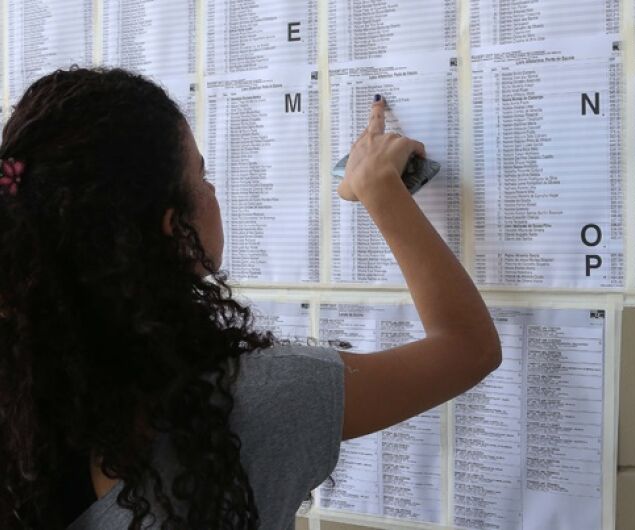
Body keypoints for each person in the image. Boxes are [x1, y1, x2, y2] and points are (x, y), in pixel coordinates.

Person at [0, 67, 501, 529]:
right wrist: (381, 189)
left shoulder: (23, 404)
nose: (214, 187)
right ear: (174, 232)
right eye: (202, 174)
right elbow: (467, 347)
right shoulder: (252, 404)